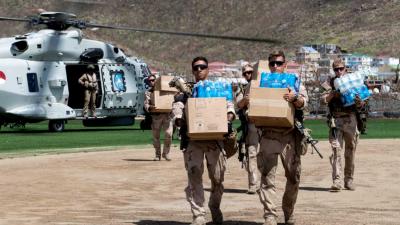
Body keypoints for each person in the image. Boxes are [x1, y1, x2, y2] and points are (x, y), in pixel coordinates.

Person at [171, 56, 235, 225]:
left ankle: (214, 206)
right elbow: (177, 107)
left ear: (208, 69)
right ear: (193, 71)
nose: (199, 70)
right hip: (194, 141)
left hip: (215, 140)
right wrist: (179, 118)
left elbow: (229, 106)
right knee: (194, 177)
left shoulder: (217, 88)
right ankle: (199, 215)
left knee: (218, 179)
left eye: (202, 67)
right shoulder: (186, 92)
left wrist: (228, 117)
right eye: (196, 67)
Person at [253, 51, 308, 225]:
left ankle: (288, 212)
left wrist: (295, 98)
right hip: (268, 135)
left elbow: (304, 103)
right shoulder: (261, 82)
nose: (275, 66)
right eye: (272, 63)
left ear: (285, 65)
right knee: (267, 178)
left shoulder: (294, 82)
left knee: (294, 178)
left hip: (289, 137)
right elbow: (251, 105)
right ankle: (270, 215)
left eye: (278, 63)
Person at [321, 58, 365, 192]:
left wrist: (359, 101)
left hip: (351, 119)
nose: (339, 71)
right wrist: (333, 94)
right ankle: (337, 181)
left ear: (345, 69)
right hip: (336, 120)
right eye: (336, 69)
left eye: (341, 68)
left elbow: (363, 102)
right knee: (336, 150)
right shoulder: (330, 83)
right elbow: (323, 100)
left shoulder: (353, 81)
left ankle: (349, 179)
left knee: (350, 151)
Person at [236, 63, 260, 194]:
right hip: (251, 125)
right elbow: (238, 104)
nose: (248, 75)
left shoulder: (263, 85)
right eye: (245, 73)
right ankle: (253, 184)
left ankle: (266, 183)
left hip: (264, 124)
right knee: (251, 153)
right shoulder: (242, 88)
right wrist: (245, 100)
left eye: (250, 72)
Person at [143, 74, 173, 161]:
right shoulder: (148, 92)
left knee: (169, 134)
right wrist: (149, 107)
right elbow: (146, 104)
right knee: (156, 137)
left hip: (167, 115)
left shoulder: (165, 90)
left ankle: (166, 153)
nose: (152, 82)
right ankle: (157, 154)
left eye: (153, 80)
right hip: (156, 116)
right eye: (150, 81)